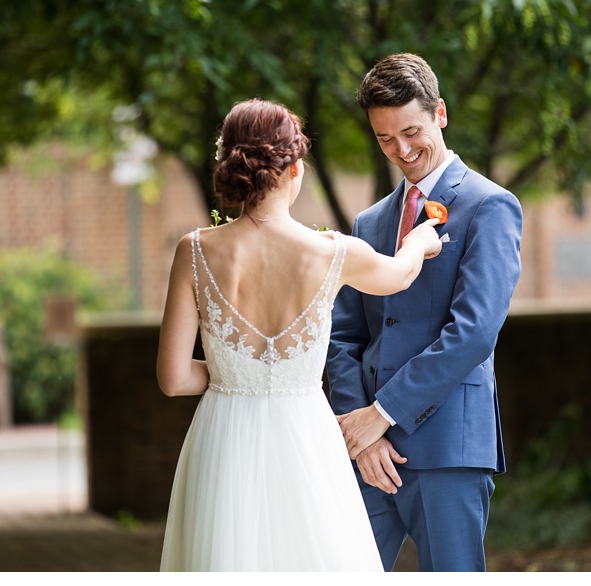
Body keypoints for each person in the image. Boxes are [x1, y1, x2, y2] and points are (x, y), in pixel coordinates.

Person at [157, 98, 443, 571]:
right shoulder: (332, 252)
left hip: (224, 438)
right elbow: (399, 275)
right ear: (294, 168)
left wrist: (238, 373)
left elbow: (172, 378)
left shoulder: (195, 252)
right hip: (306, 436)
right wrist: (419, 241)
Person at [326, 53, 523, 571]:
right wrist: (356, 427)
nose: (401, 150)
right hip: (367, 452)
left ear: (440, 112)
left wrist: (382, 414)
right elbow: (342, 333)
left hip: (447, 447)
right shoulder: (369, 223)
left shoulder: (490, 206)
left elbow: (475, 332)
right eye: (385, 139)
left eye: (411, 131)